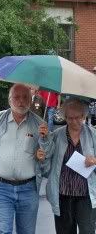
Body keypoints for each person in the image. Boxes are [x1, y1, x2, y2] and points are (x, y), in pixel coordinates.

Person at [0, 83, 45, 234]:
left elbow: (48, 158)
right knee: (4, 231)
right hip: (1, 188)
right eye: (16, 97)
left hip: (29, 189)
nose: (21, 101)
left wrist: (44, 149)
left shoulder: (40, 125)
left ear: (31, 100)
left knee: (27, 232)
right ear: (9, 100)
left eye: (25, 97)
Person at [38, 98, 96, 233]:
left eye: (78, 118)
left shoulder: (93, 134)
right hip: (62, 195)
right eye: (70, 118)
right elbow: (46, 167)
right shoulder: (57, 135)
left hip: (86, 196)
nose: (74, 121)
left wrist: (94, 161)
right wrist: (44, 143)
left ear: (84, 116)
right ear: (65, 117)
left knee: (87, 231)